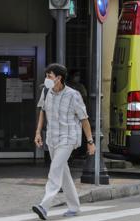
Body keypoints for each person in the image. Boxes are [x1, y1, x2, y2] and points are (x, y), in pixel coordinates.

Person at [32, 63, 96, 220]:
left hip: (68, 138)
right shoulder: (46, 92)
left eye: (49, 76)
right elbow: (42, 111)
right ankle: (74, 207)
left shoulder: (73, 95)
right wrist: (38, 132)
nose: (46, 79)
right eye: (46, 75)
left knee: (55, 170)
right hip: (52, 138)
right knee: (64, 173)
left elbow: (84, 119)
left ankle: (44, 206)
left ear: (59, 78)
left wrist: (90, 141)